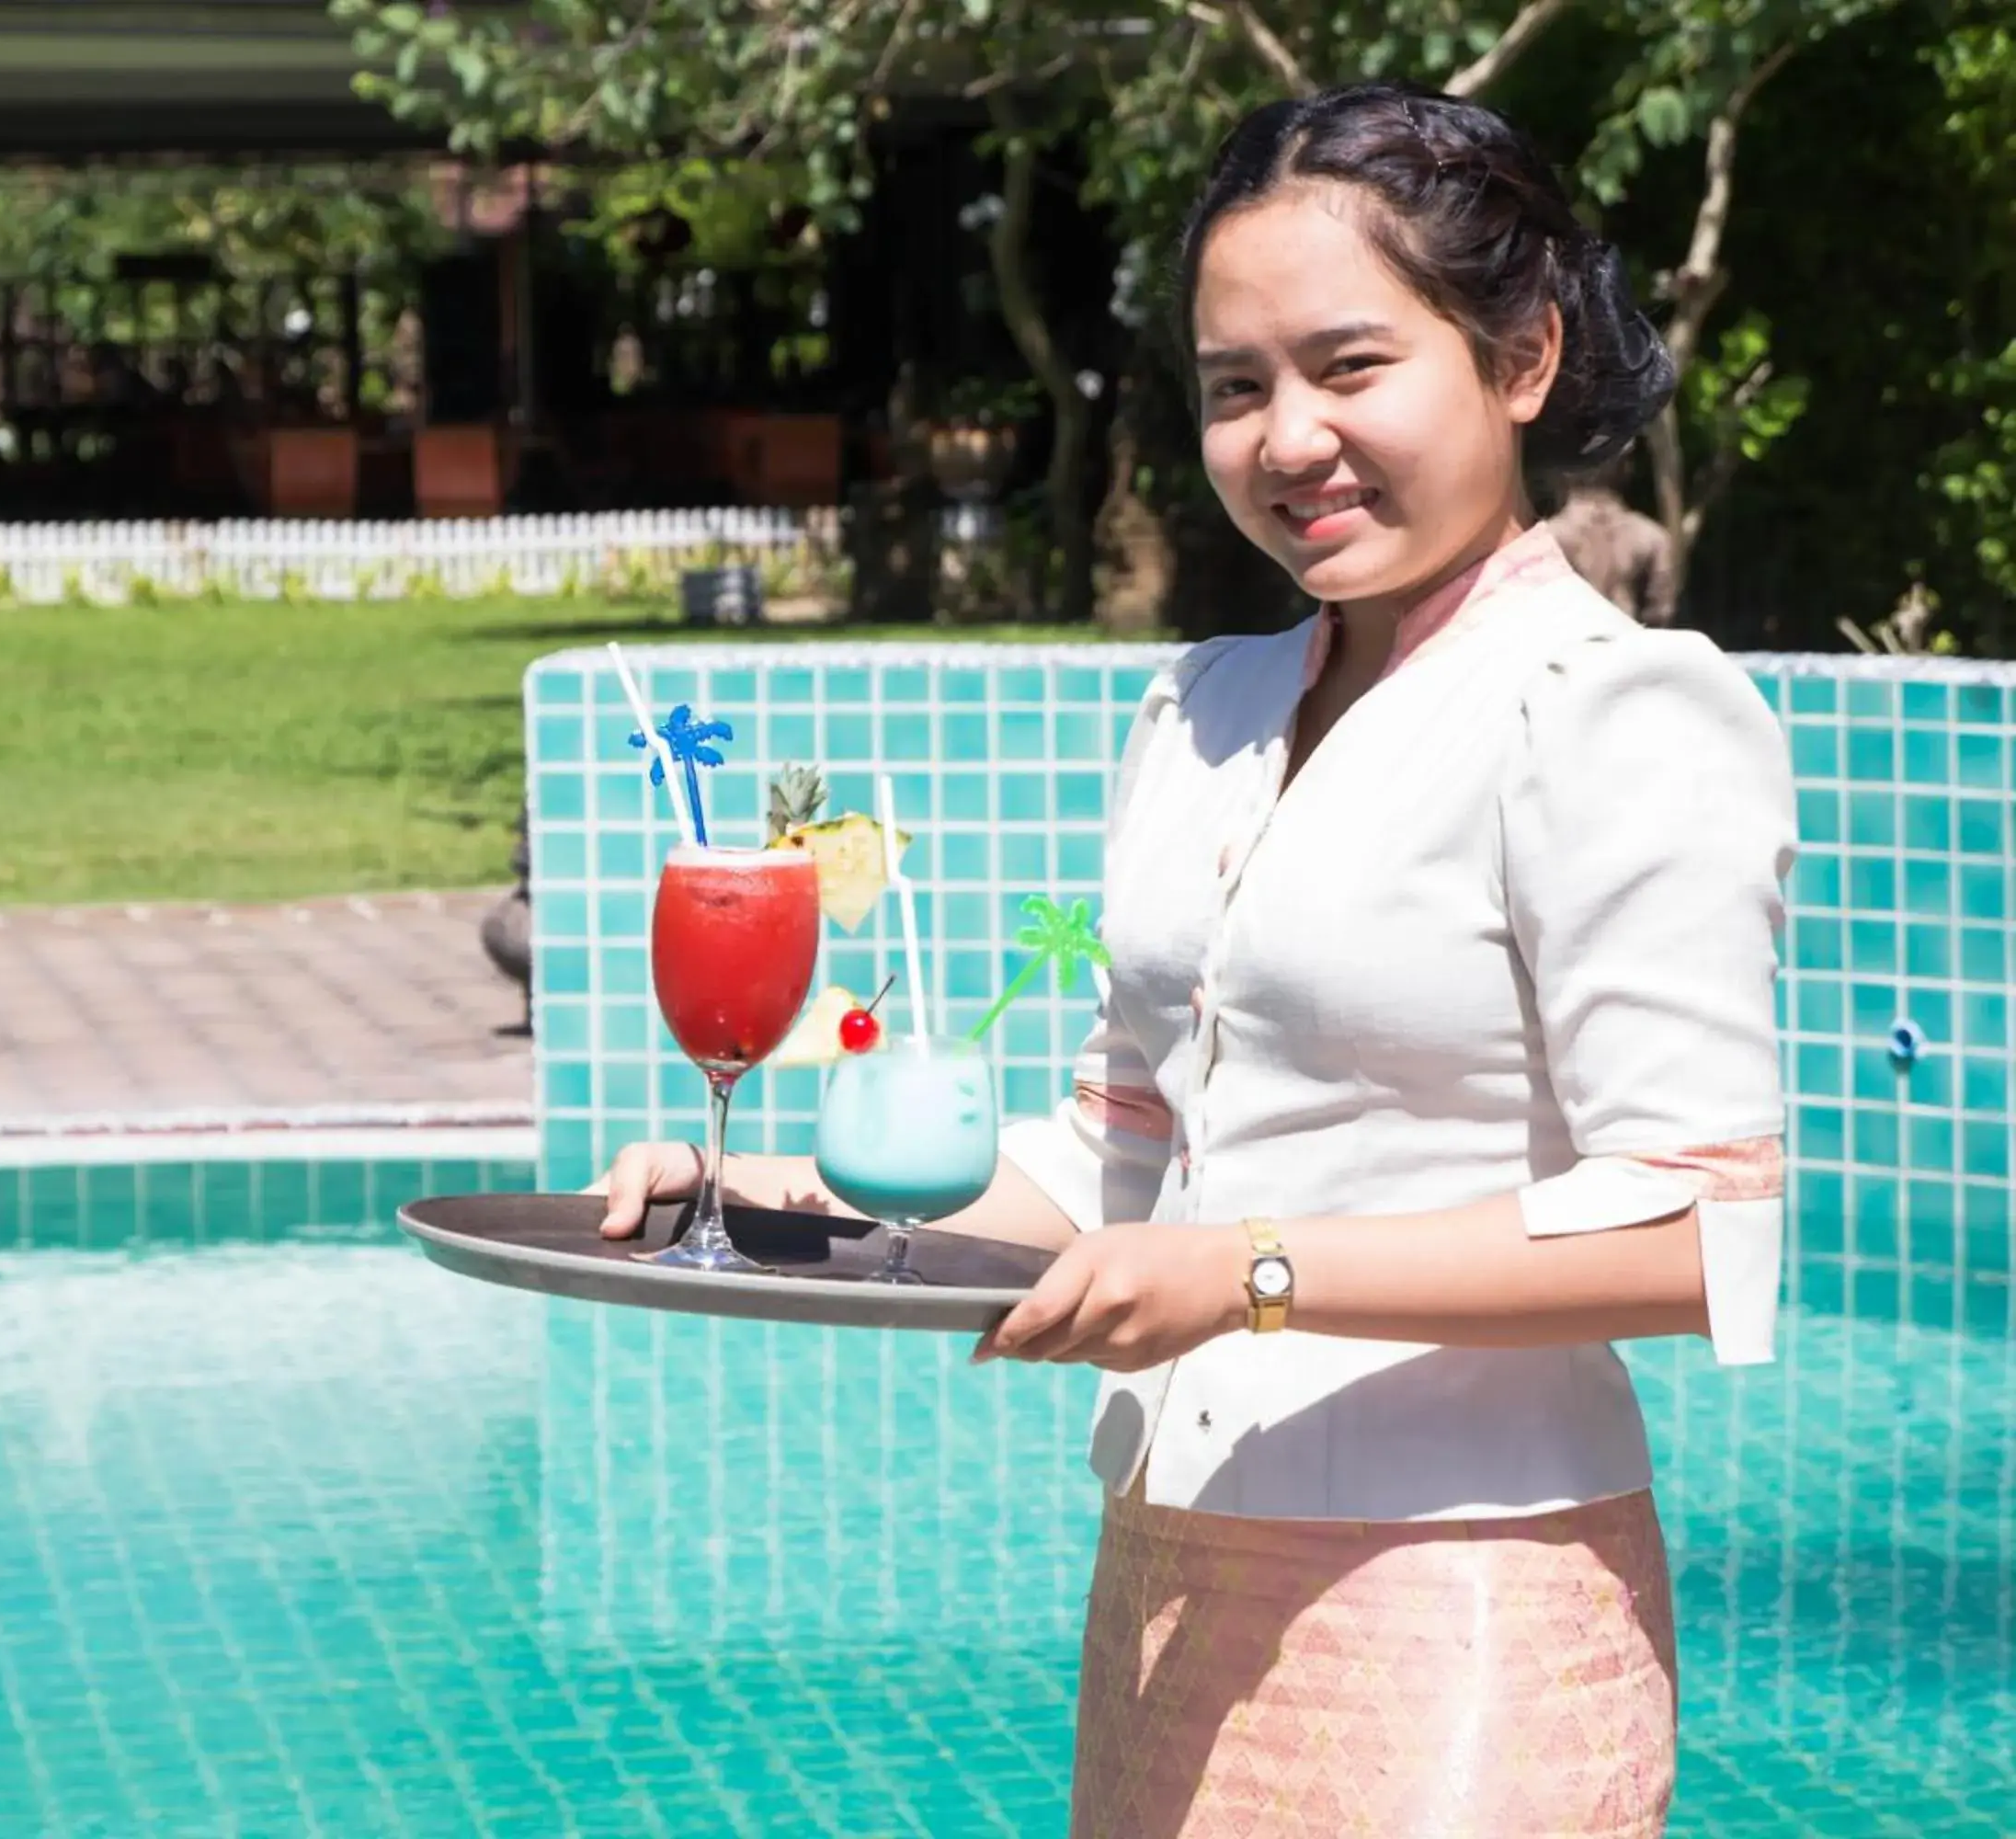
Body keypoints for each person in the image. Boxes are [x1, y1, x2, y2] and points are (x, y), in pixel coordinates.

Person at [592, 81, 1794, 1839]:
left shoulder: (1611, 715)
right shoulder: (1205, 710)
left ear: (1522, 358)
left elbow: (1705, 1226)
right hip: (1172, 1563)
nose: (1288, 437)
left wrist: (1249, 1276)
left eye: (1351, 367)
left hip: (1464, 1587)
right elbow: (1115, 1168)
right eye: (1239, 389)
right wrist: (767, 1200)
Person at [1545, 452, 1679, 625]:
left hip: (1570, 646)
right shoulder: (1652, 536)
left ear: (1563, 471)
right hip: (1632, 644)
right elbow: (1660, 612)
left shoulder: (1548, 537)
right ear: (1626, 468)